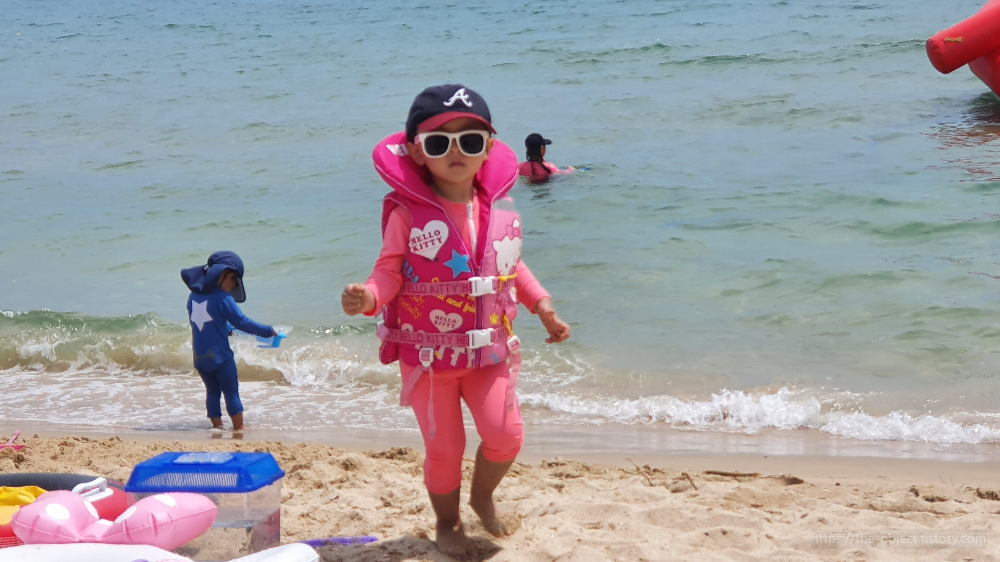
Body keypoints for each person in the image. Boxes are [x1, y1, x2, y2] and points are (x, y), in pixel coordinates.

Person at [341, 84, 571, 559]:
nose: (456, 152)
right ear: (416, 152)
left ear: (488, 148)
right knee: (445, 448)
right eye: (438, 142)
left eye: (469, 140)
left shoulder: (498, 210)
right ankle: (447, 522)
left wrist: (543, 306)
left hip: (489, 351)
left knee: (505, 436)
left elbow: (511, 267)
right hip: (428, 357)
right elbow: (389, 272)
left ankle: (482, 495)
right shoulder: (407, 213)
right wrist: (368, 298)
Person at [181, 251, 277, 431]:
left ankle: (217, 428)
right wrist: (268, 331)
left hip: (200, 358)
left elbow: (206, 323)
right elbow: (242, 321)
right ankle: (239, 428)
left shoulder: (193, 297)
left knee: (212, 392)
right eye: (234, 279)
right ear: (223, 275)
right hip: (221, 358)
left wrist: (227, 330)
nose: (234, 284)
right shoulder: (223, 297)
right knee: (231, 392)